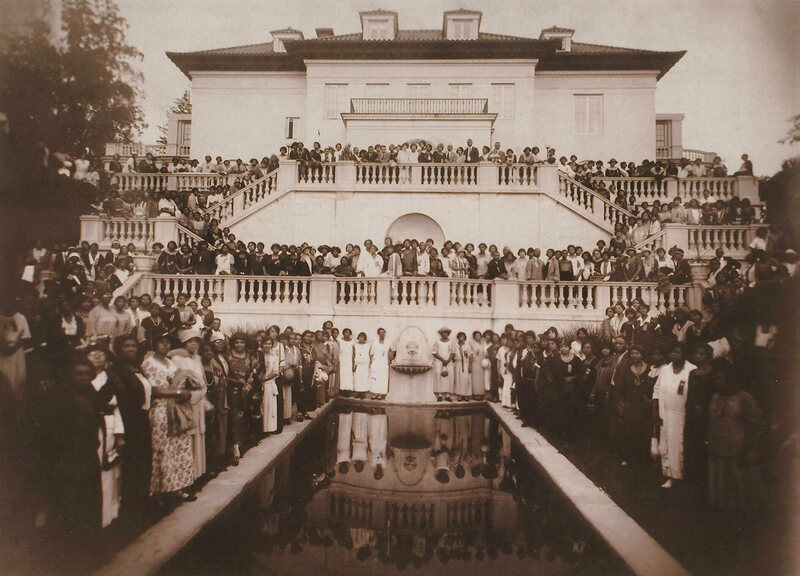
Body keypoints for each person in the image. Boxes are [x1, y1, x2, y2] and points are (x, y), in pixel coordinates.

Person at [141, 335, 196, 502]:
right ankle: (160, 491)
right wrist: (179, 393)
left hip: (175, 409)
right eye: (161, 342)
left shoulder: (171, 363)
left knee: (178, 448)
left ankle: (177, 489)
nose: (164, 346)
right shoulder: (149, 363)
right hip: (161, 409)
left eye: (167, 343)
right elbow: (154, 390)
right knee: (162, 448)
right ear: (155, 344)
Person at [107, 335, 152, 521]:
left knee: (142, 462)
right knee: (131, 464)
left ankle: (140, 503)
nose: (131, 349)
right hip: (128, 422)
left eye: (134, 346)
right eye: (126, 346)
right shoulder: (116, 370)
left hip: (141, 421)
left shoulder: (136, 368)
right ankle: (130, 508)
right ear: (118, 350)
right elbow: (122, 399)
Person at [708, 364, 763, 515]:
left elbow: (754, 425)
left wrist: (747, 447)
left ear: (729, 379)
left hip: (738, 451)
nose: (716, 381)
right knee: (721, 487)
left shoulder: (744, 398)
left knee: (739, 489)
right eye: (715, 378)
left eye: (720, 378)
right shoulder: (716, 397)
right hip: (718, 449)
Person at [652, 343, 697, 488]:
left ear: (684, 354)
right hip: (665, 413)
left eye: (677, 352)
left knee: (680, 445)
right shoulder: (665, 369)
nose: (674, 355)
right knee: (666, 444)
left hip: (682, 414)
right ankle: (670, 475)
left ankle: (683, 476)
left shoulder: (692, 370)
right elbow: (656, 390)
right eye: (672, 352)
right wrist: (655, 412)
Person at [168, 330, 208, 479]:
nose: (194, 344)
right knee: (188, 434)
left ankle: (198, 472)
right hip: (186, 400)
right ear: (184, 343)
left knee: (198, 433)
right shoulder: (177, 358)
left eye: (196, 341)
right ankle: (187, 474)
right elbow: (178, 381)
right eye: (191, 341)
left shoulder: (197, 358)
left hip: (198, 399)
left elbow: (201, 379)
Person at [683, 344, 717, 492]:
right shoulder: (692, 374)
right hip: (692, 415)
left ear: (708, 356)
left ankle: (705, 482)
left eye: (701, 354)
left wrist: (704, 409)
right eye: (696, 353)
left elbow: (712, 396)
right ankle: (692, 481)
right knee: (691, 446)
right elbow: (690, 395)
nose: (698, 356)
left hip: (706, 415)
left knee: (704, 447)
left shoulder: (712, 374)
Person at [256, 339, 281, 435]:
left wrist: (264, 378)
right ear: (262, 344)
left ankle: (268, 429)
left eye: (269, 344)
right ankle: (260, 429)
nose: (267, 345)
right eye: (265, 343)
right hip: (259, 384)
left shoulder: (274, 356)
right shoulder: (258, 355)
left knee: (269, 407)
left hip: (269, 384)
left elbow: (275, 372)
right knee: (261, 406)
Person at [432, 328, 455, 402]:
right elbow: (434, 353)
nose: (444, 334)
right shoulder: (437, 342)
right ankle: (439, 395)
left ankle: (448, 395)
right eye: (443, 333)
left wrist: (447, 360)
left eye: (446, 333)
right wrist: (443, 360)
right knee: (439, 376)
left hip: (449, 362)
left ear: (448, 334)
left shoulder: (451, 342)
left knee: (449, 376)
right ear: (441, 334)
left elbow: (453, 353)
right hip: (439, 362)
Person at [369, 328, 390, 400]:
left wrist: (389, 361)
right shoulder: (374, 342)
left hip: (384, 362)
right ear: (378, 334)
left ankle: (380, 394)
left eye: (383, 332)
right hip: (376, 361)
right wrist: (371, 362)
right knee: (375, 377)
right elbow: (371, 353)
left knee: (382, 377)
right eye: (380, 333)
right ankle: (375, 393)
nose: (382, 334)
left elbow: (391, 351)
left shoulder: (388, 342)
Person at [453, 332, 473, 401]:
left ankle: (466, 395)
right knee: (458, 379)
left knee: (466, 379)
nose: (461, 338)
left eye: (463, 337)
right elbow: (452, 355)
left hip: (466, 364)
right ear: (458, 338)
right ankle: (459, 395)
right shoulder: (455, 346)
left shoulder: (467, 346)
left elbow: (471, 356)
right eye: (460, 337)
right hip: (457, 364)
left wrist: (470, 366)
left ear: (465, 338)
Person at [469, 331, 488, 400]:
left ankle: (481, 393)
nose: (478, 337)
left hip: (481, 363)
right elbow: (470, 354)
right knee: (475, 379)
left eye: (479, 335)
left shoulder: (482, 344)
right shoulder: (471, 344)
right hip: (475, 363)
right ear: (474, 337)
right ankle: (475, 394)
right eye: (476, 335)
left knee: (480, 379)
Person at [353, 332, 371, 399]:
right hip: (358, 363)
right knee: (358, 379)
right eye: (360, 337)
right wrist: (354, 364)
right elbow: (354, 354)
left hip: (365, 364)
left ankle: (363, 394)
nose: (361, 338)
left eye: (363, 337)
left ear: (365, 338)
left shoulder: (368, 345)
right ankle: (358, 393)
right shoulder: (355, 345)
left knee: (364, 379)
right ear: (358, 338)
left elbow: (369, 354)